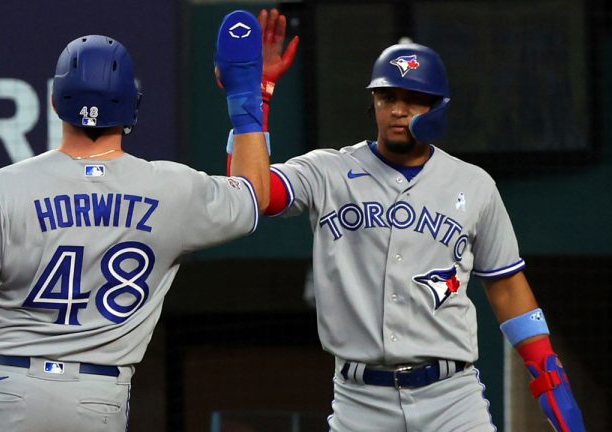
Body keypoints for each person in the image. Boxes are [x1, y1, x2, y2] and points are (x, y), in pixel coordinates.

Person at [242, 9, 586, 432]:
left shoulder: (473, 184)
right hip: (360, 401)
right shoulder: (328, 171)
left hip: (452, 398)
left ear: (437, 106)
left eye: (411, 98)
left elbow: (508, 286)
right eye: (388, 97)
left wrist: (547, 370)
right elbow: (253, 195)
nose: (398, 110)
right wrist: (252, 97)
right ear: (373, 102)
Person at [0, 10, 268, 431]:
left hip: (6, 385)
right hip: (95, 396)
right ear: (133, 106)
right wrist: (245, 93)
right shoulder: (171, 188)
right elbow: (257, 195)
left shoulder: (8, 185)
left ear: (56, 101)